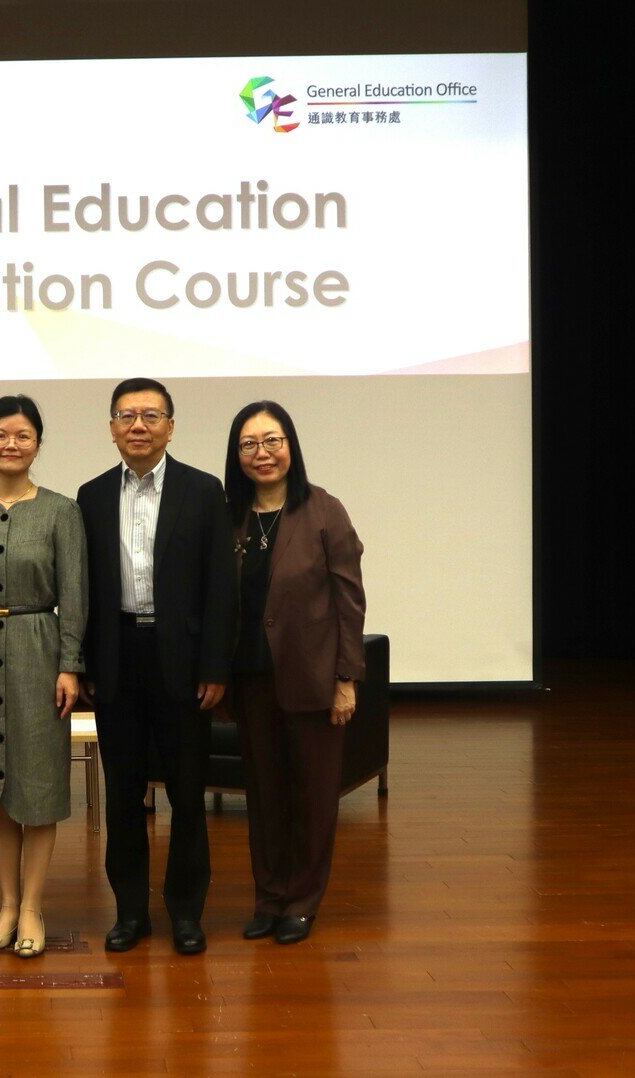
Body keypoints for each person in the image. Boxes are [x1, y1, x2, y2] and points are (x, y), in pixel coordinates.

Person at [75, 378, 237, 956]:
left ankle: (187, 912)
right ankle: (130, 912)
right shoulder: (90, 495)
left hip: (184, 662)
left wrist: (216, 664)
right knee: (122, 795)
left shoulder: (203, 491)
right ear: (112, 427)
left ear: (171, 425)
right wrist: (86, 661)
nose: (138, 426)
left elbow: (222, 587)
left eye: (150, 415)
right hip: (117, 658)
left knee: (187, 793)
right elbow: (85, 589)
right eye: (127, 416)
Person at [0, 396, 87, 959]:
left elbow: (74, 595)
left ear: (37, 445)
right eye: (0, 434)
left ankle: (33, 906)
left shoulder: (61, 511)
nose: (11, 444)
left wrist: (70, 664)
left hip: (38, 650)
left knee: (40, 784)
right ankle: (5, 903)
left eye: (23, 435)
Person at [221, 401, 365, 945]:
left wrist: (347, 679)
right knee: (263, 796)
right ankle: (270, 897)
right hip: (252, 681)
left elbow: (350, 603)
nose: (263, 454)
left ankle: (302, 902)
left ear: (291, 446)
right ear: (237, 455)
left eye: (272, 441)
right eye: (249, 444)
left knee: (313, 797)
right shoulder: (230, 516)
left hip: (313, 682)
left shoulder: (324, 510)